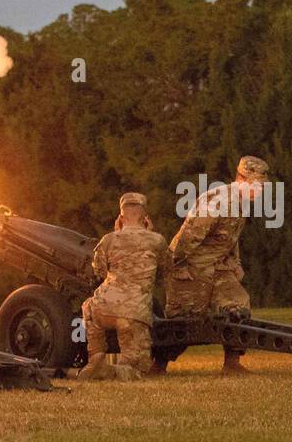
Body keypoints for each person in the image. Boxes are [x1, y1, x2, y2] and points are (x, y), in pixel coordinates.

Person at [160, 155, 269, 375]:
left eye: (261, 186)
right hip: (189, 263)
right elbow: (188, 237)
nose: (259, 191)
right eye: (255, 185)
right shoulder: (219, 202)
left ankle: (232, 364)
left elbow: (229, 237)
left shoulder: (242, 202)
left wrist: (234, 263)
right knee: (183, 320)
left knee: (238, 306)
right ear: (240, 178)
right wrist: (178, 266)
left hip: (217, 265)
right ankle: (157, 365)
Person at [78, 192, 172, 381]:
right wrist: (151, 233)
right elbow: (167, 267)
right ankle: (116, 371)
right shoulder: (157, 241)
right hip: (133, 312)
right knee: (137, 369)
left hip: (102, 307)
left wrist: (116, 233)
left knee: (88, 305)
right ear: (146, 217)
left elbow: (99, 271)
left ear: (121, 217)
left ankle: (96, 356)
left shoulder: (108, 240)